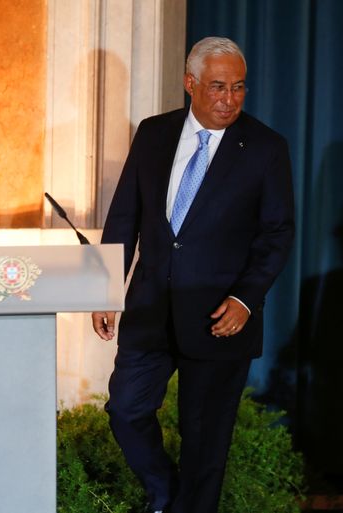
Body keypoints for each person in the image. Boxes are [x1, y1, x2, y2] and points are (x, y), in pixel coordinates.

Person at [91, 37, 294, 513]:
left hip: (220, 315)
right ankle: (164, 493)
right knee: (126, 410)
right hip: (149, 308)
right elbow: (124, 218)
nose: (229, 99)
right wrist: (103, 289)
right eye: (218, 86)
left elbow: (277, 233)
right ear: (190, 84)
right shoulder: (153, 133)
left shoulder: (265, 147)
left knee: (204, 440)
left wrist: (246, 299)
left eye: (239, 87)